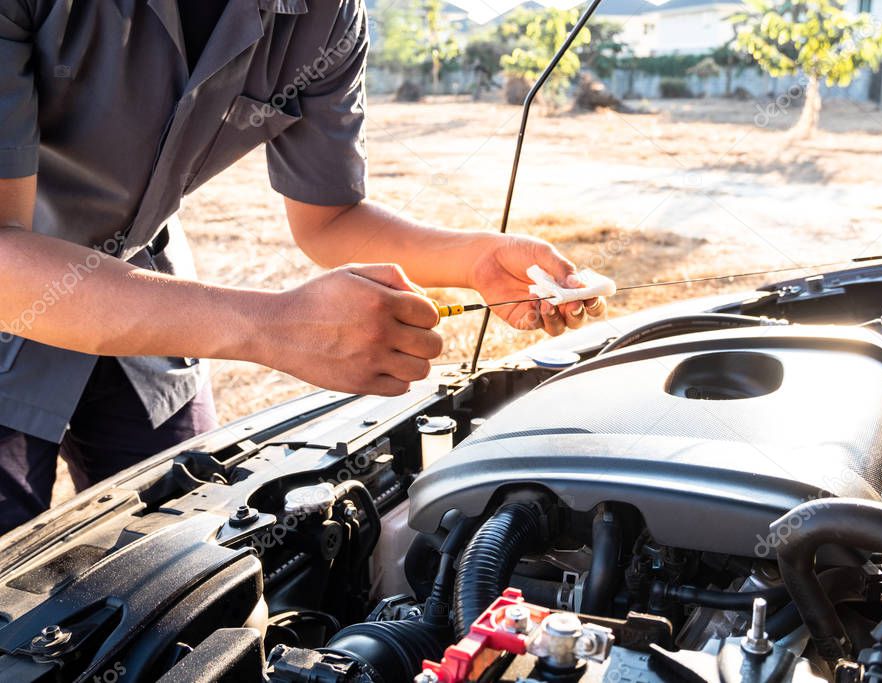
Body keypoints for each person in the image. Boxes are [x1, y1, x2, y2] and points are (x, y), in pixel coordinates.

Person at [0, 0, 607, 534]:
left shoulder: (328, 15)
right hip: (18, 293)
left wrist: (475, 260)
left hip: (147, 294)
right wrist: (271, 325)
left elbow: (331, 218)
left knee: (182, 544)